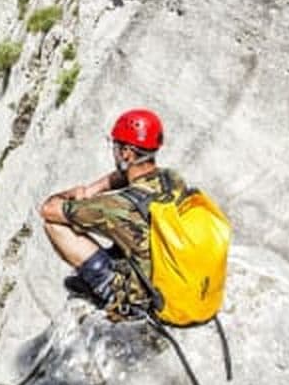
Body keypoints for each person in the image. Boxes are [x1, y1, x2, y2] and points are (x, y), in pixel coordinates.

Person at [39, 108, 187, 316]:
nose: (114, 151)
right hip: (173, 275)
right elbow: (127, 176)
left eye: (116, 147)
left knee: (54, 225)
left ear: (126, 152)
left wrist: (74, 192)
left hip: (142, 297)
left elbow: (49, 210)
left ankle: (104, 289)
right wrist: (93, 189)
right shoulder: (172, 179)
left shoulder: (114, 208)